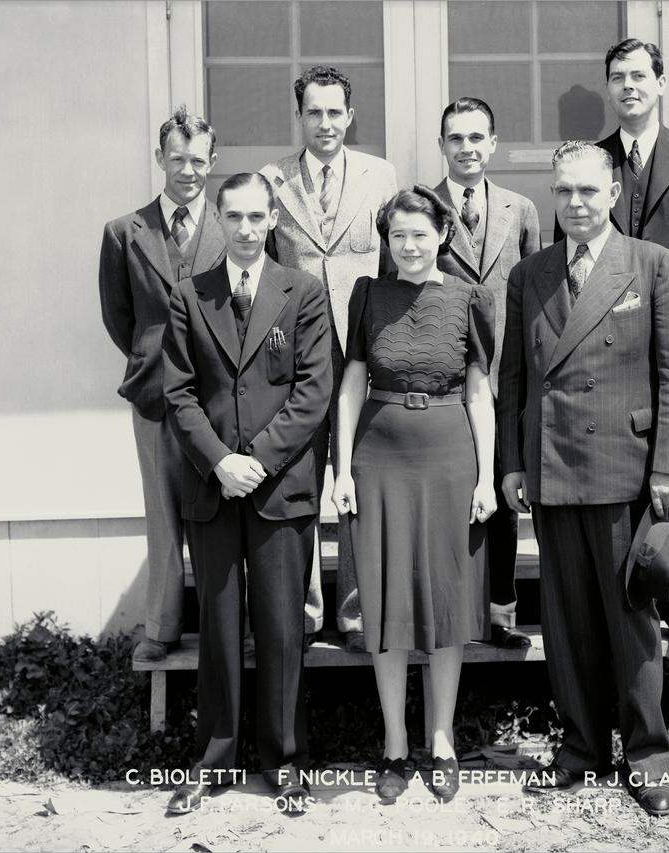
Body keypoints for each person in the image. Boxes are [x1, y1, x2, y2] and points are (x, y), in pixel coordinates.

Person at [500, 142, 669, 816]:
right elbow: (513, 380)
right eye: (564, 192)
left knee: (632, 622)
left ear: (613, 193)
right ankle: (583, 744)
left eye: (588, 191)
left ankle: (646, 754)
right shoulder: (531, 274)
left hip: (626, 470)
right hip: (553, 468)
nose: (576, 204)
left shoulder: (652, 265)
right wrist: (511, 462)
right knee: (567, 620)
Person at [160, 172, 332, 815]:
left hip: (279, 489)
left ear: (272, 222)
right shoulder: (189, 295)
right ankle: (215, 762)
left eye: (258, 217)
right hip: (212, 489)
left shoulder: (303, 292)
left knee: (284, 630)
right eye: (234, 217)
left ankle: (286, 763)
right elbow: (177, 392)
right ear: (219, 220)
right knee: (219, 628)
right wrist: (219, 463)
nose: (247, 229)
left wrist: (253, 461)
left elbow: (314, 391)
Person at [554, 39, 669, 653]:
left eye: (639, 75)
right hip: (604, 340)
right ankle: (624, 597)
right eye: (617, 77)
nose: (629, 86)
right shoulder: (588, 164)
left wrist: (664, 312)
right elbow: (571, 254)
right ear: (608, 88)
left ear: (661, 81)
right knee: (621, 470)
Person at [331, 187, 496, 803]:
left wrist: (486, 478)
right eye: (398, 234)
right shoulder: (368, 296)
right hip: (379, 458)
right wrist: (341, 468)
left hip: (450, 458)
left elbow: (480, 393)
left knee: (446, 602)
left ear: (443, 234)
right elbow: (351, 380)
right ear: (387, 239)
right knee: (388, 603)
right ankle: (396, 746)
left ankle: (443, 740)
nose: (409, 245)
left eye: (420, 233)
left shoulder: (468, 299)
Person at [261, 65, 399, 652]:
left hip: (362, 353)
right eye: (313, 112)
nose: (325, 123)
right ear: (300, 116)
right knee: (300, 483)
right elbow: (265, 272)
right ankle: (306, 609)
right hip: (297, 358)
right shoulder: (274, 180)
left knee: (357, 480)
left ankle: (355, 609)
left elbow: (393, 261)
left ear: (350, 115)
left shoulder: (380, 175)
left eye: (334, 112)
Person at [99, 107, 226, 663]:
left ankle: (230, 622)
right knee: (162, 512)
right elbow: (117, 316)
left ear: (213, 162)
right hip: (154, 394)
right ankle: (163, 624)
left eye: (199, 160)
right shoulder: (125, 232)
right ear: (160, 159)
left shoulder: (235, 228)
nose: (189, 170)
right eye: (178, 159)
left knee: (222, 512)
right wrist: (151, 358)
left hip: (221, 395)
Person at [434, 97, 541, 649]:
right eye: (456, 138)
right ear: (442, 145)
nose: (467, 148)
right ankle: (451, 609)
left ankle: (501, 610)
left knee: (501, 493)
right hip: (442, 379)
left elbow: (536, 295)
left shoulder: (521, 210)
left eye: (478, 138)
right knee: (451, 494)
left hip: (502, 379)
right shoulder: (421, 208)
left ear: (493, 144)